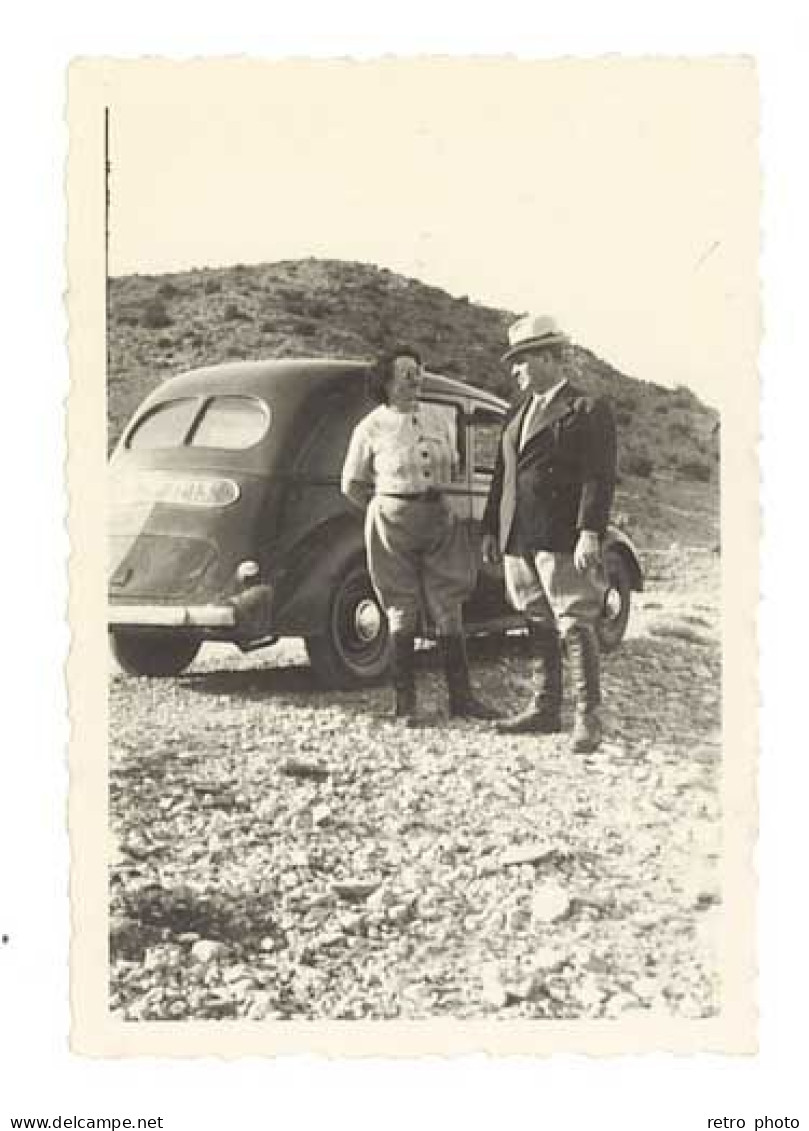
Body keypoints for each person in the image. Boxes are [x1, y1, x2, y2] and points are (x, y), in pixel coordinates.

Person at [480, 314, 617, 753]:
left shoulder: (587, 409)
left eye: (521, 360)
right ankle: (544, 708)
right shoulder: (516, 413)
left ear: (548, 357)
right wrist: (490, 529)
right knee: (536, 617)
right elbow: (502, 477)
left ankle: (587, 717)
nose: (514, 370)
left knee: (575, 620)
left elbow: (599, 477)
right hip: (518, 535)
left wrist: (590, 532)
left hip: (560, 535)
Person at [341, 345, 499, 724]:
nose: (416, 378)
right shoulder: (370, 427)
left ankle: (462, 701)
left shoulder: (436, 419)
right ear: (387, 381)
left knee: (449, 605)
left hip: (439, 518)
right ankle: (405, 705)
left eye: (419, 370)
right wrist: (385, 508)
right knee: (401, 607)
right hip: (392, 521)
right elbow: (351, 484)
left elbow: (453, 466)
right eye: (406, 372)